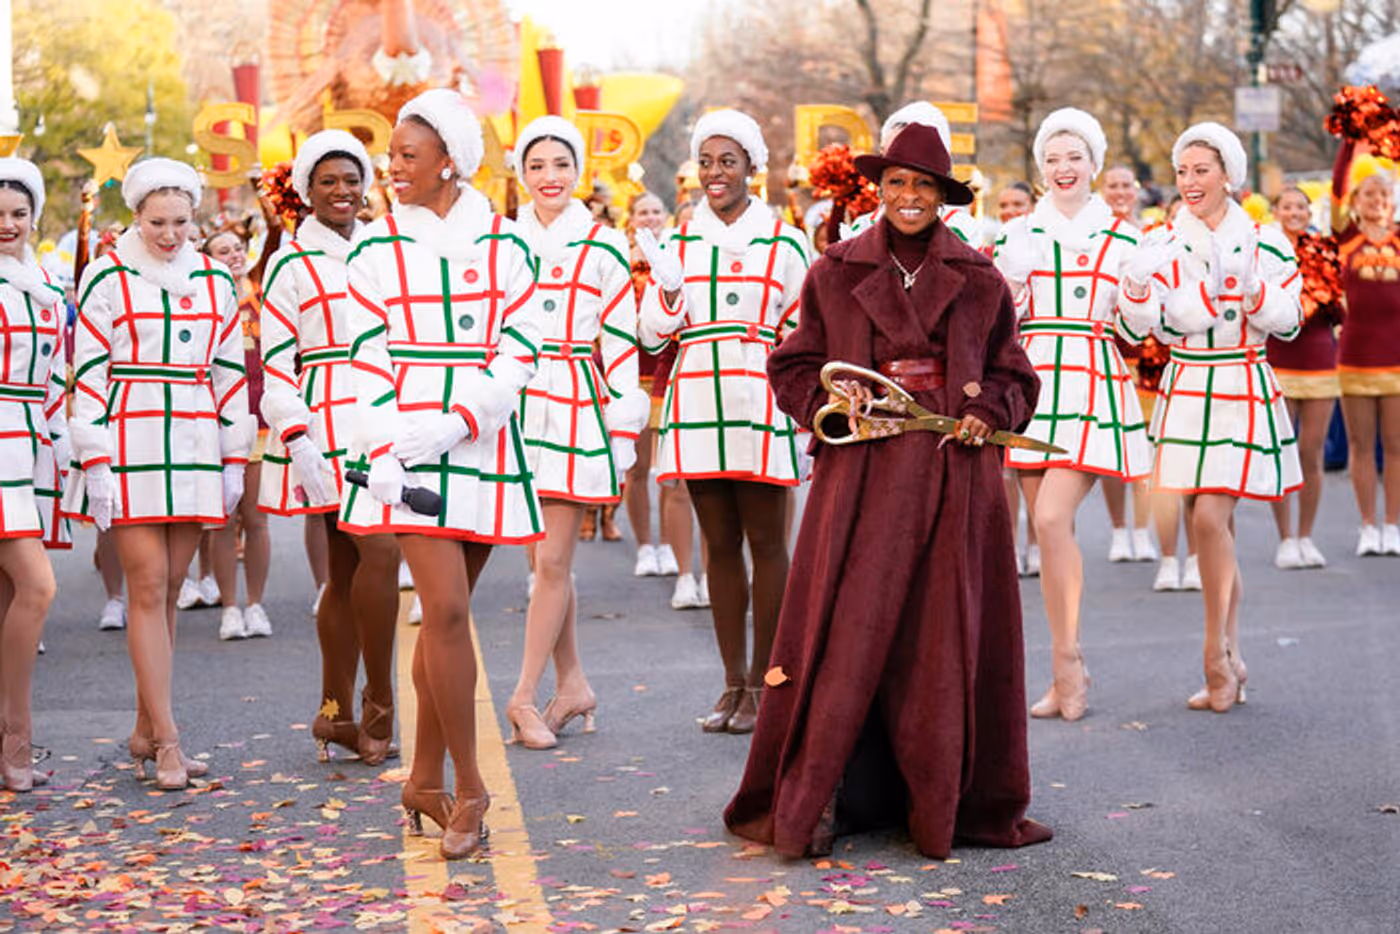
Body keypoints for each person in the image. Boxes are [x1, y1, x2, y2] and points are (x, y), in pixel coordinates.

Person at [725, 121, 1051, 858]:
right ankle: (827, 797)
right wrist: (832, 408)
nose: (908, 198)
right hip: (863, 479)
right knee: (848, 636)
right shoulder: (834, 269)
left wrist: (982, 413)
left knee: (940, 640)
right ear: (879, 190)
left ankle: (945, 800)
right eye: (897, 183)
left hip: (954, 482)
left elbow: (1014, 377)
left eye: (923, 187)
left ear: (944, 199)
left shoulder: (980, 278)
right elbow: (794, 366)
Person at [341, 88, 544, 858]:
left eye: (405, 155)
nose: (388, 168)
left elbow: (522, 349)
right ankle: (471, 789)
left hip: (484, 443)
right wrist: (390, 442)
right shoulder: (372, 248)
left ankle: (421, 778)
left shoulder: (508, 245)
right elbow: (363, 357)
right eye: (391, 154)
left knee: (445, 628)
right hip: (403, 450)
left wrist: (462, 419)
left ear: (449, 162)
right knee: (448, 615)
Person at [64, 158, 253, 787]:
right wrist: (93, 457)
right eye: (157, 222)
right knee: (146, 584)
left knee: (172, 585)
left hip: (196, 438)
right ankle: (169, 741)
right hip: (130, 437)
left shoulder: (215, 281)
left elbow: (228, 373)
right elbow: (87, 372)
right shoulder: (107, 276)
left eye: (180, 222)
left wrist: (232, 457)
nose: (170, 234)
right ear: (136, 218)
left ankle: (147, 730)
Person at [1120, 122, 1302, 712]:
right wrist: (1142, 286)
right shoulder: (1164, 241)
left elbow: (1291, 320)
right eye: (1183, 171)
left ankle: (1215, 659)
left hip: (1242, 379)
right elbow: (1146, 328)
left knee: (1209, 520)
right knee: (1208, 522)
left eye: (1202, 169)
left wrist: (1255, 297)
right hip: (1186, 384)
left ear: (1228, 174)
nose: (1190, 181)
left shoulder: (1268, 240)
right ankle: (1232, 651)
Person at [637, 109, 808, 735]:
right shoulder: (677, 243)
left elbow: (806, 328)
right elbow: (652, 333)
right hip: (700, 398)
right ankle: (733, 683)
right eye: (705, 162)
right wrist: (671, 292)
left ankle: (772, 684)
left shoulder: (787, 241)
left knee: (768, 545)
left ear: (751, 169)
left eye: (727, 161)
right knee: (719, 546)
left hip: (762, 397)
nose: (714, 173)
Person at [993, 109, 1151, 721]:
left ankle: (1069, 665)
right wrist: (1009, 290)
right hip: (1033, 381)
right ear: (1041, 168)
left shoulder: (1125, 236)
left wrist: (1138, 289)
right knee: (1045, 529)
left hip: (1090, 378)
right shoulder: (1016, 234)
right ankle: (1066, 666)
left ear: (1094, 165)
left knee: (1054, 520)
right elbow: (998, 320)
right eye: (1052, 159)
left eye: (1074, 157)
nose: (1063, 169)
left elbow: (1139, 330)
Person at [258, 129, 403, 763]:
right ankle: (374, 704)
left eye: (351, 180)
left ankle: (337, 713)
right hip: (322, 421)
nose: (342, 191)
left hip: (381, 412)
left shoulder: (388, 249)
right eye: (328, 181)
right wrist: (297, 438)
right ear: (306, 191)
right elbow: (275, 360)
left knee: (352, 569)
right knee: (371, 555)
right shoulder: (291, 263)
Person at [508, 116, 648, 749]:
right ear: (521, 175)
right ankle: (572, 682)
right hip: (509, 403)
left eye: (560, 165)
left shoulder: (604, 243)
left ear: (579, 171)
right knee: (539, 562)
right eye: (536, 166)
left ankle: (520, 698)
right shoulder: (500, 242)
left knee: (555, 559)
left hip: (570, 399)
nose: (549, 177)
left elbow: (619, 340)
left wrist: (623, 423)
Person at [0, 158, 67, 791]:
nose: (8, 225)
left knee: (7, 598)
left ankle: (7, 744)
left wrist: (63, 439)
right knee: (37, 586)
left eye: (18, 213)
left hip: (30, 442)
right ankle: (14, 736)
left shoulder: (43, 286)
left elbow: (52, 377)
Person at [625, 192, 706, 607]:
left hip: (678, 372)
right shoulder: (623, 263)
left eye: (657, 211)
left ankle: (695, 569)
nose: (652, 217)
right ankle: (646, 546)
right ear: (631, 219)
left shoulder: (679, 257)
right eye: (643, 212)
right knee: (642, 470)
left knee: (685, 478)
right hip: (638, 375)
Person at [202, 228, 274, 639]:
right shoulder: (201, 300)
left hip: (258, 423)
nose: (232, 255)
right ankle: (230, 608)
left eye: (236, 249)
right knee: (223, 521)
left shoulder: (260, 298)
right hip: (211, 422)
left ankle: (256, 605)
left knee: (255, 517)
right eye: (222, 250)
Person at [1268, 186, 1341, 568]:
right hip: (1278, 359)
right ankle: (1285, 539)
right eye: (1287, 206)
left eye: (1300, 206)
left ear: (1309, 211)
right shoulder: (1263, 251)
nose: (1294, 212)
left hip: (1318, 357)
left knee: (1310, 451)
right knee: (1281, 451)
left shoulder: (1325, 250)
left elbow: (1338, 305)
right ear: (1275, 211)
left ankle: (1306, 536)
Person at [1334, 165, 1400, 555]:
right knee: (1361, 445)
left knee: (1394, 446)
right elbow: (1339, 184)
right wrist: (1351, 136)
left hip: (1396, 357)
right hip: (1355, 354)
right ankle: (1367, 526)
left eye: (1384, 195)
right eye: (1369, 194)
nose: (1377, 201)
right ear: (1356, 201)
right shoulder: (1346, 240)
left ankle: (1392, 524)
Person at [1098, 165, 1156, 563]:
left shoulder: (1153, 235)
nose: (1120, 192)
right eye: (1112, 185)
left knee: (1147, 449)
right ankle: (1119, 529)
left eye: (1126, 185)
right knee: (1113, 446)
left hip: (1151, 357)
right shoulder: (1096, 234)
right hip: (1111, 353)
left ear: (1136, 191)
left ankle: (1143, 529)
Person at [843, 102, 983, 248]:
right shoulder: (864, 226)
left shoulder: (960, 228)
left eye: (924, 182)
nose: (909, 194)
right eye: (886, 153)